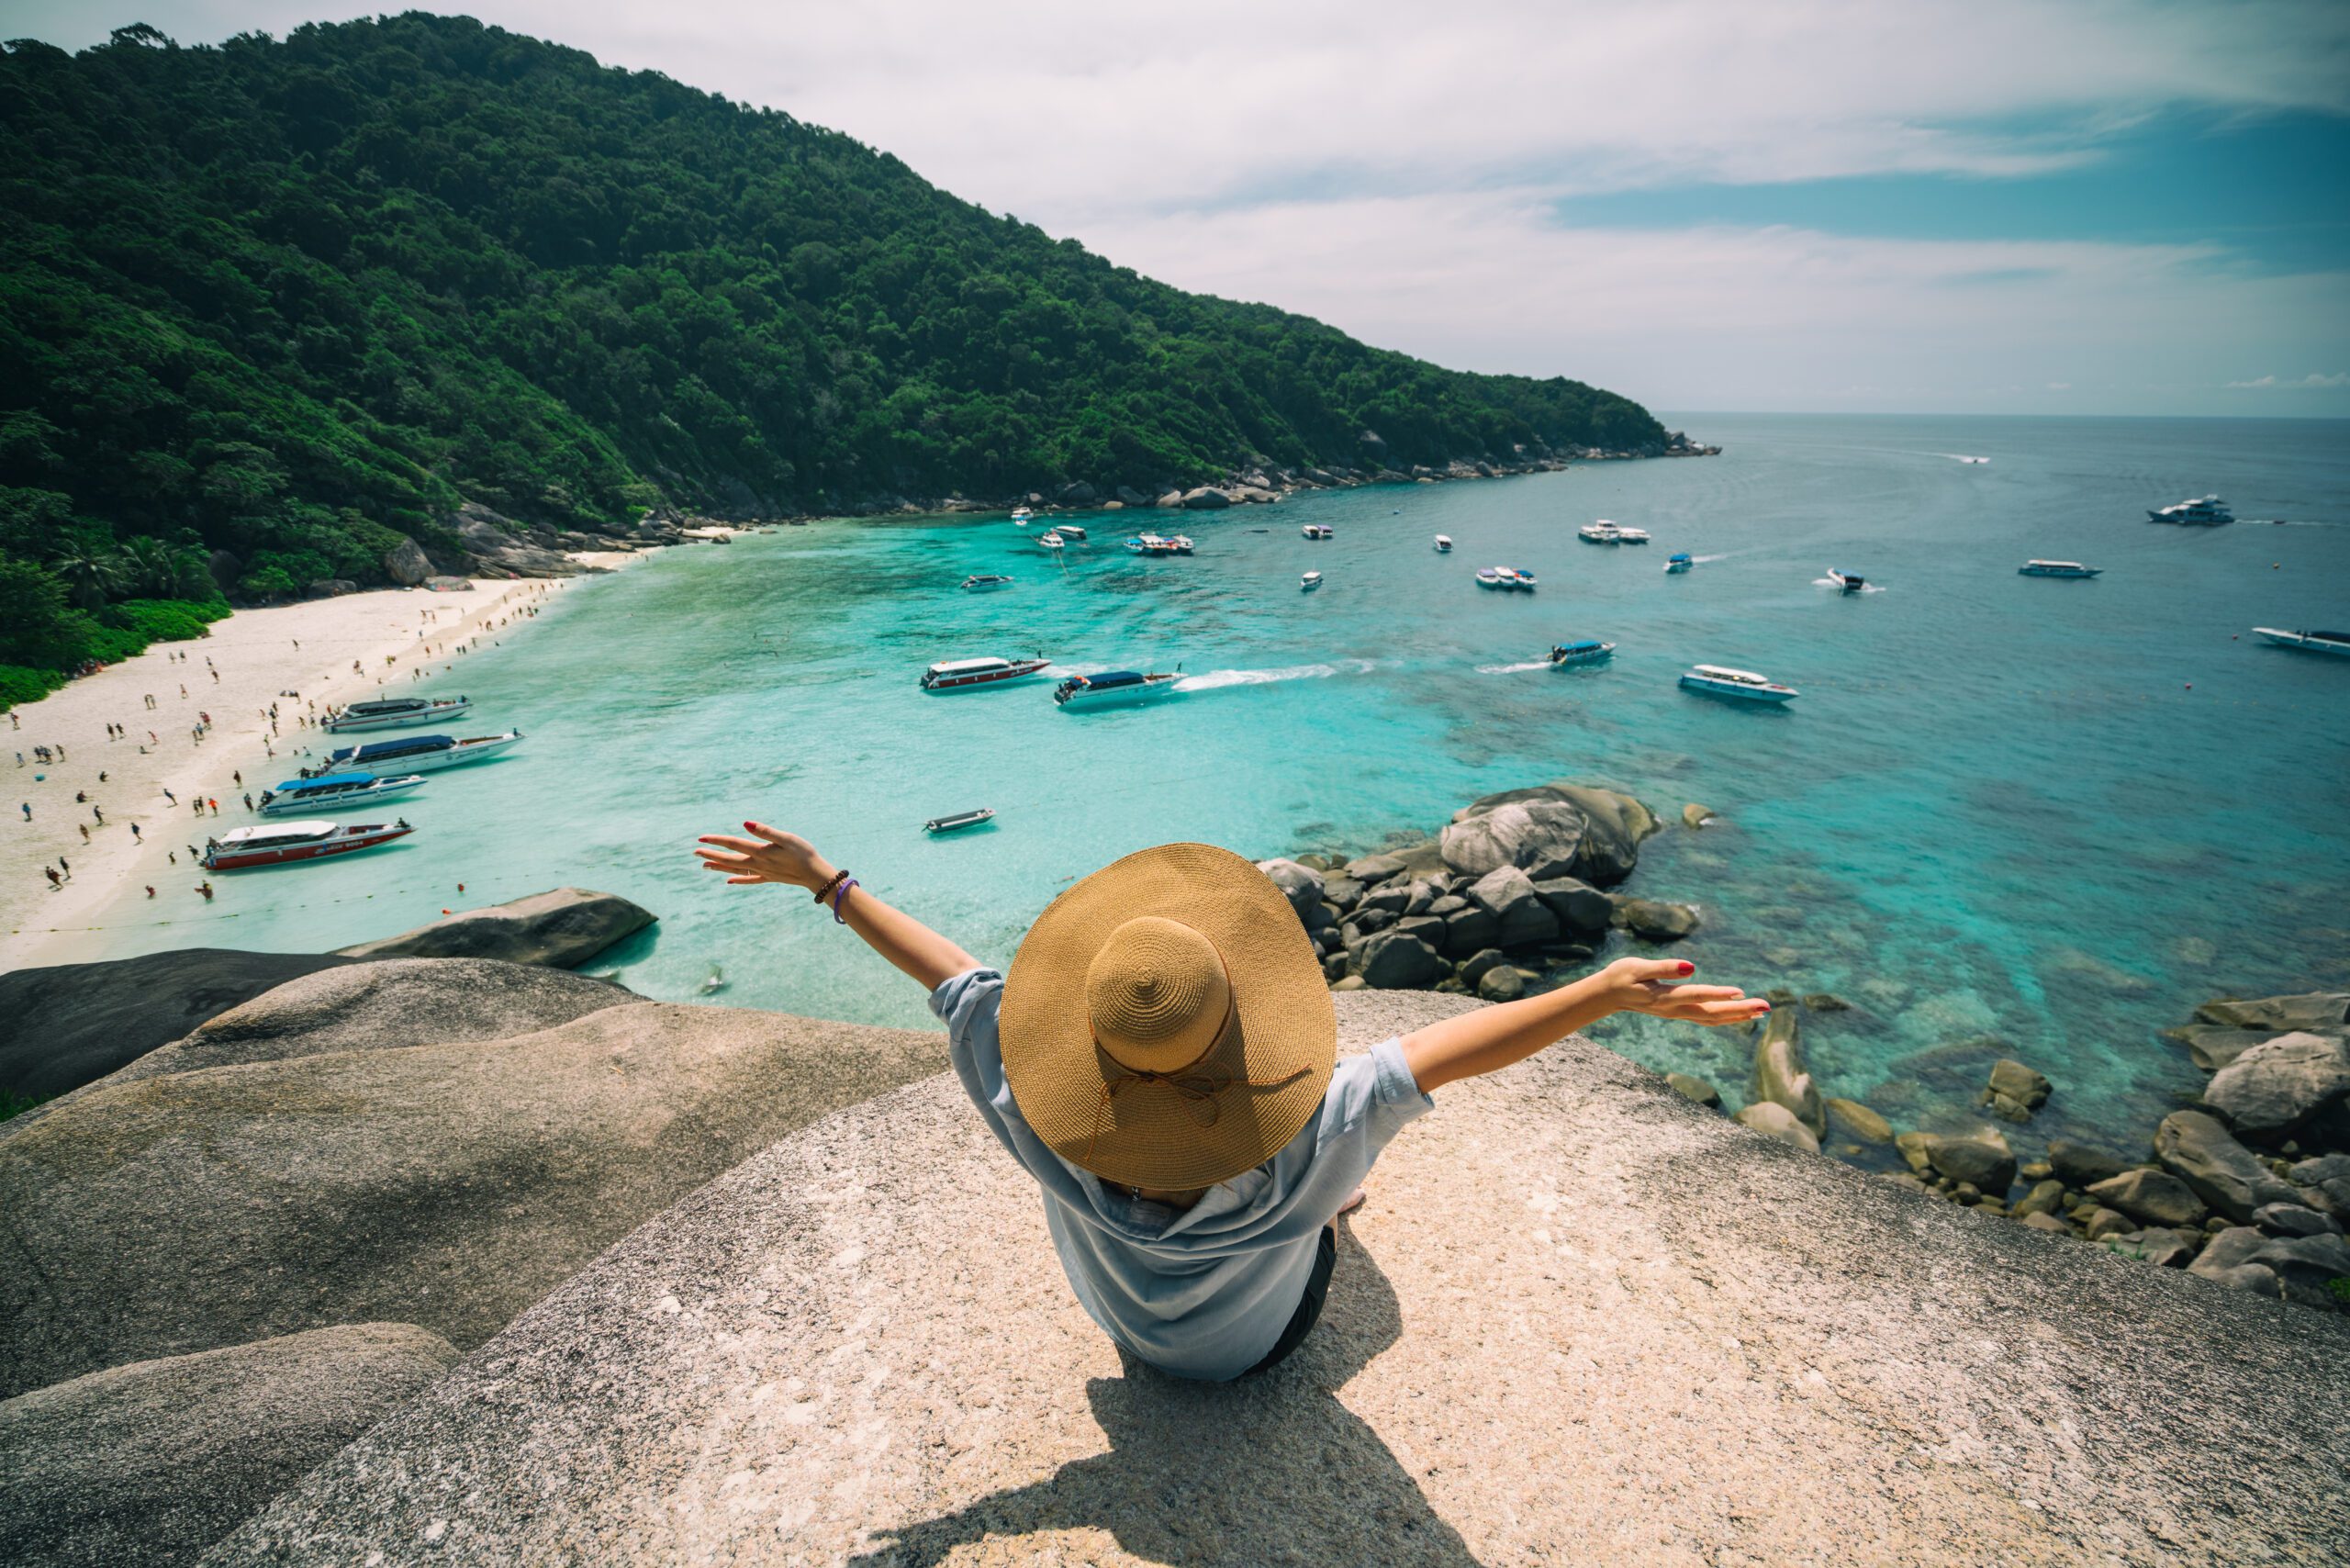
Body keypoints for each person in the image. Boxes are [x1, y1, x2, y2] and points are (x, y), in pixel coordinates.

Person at [693, 825, 1767, 1382]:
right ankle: (1333, 1215)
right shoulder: (1304, 1151)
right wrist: (1602, 990)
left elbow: (953, 979)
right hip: (1262, 1347)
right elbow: (1438, 1056)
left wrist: (823, 880)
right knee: (1349, 1148)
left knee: (1348, 1128)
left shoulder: (1027, 1108)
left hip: (1131, 1333)